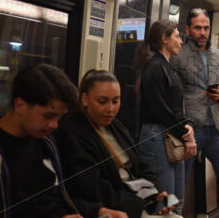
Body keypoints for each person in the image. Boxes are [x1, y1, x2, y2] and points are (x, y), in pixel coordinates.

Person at [55, 70, 180, 218]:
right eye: (102, 101)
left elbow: (140, 166)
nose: (110, 109)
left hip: (140, 197)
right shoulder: (73, 132)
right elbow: (92, 187)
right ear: (84, 99)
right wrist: (140, 203)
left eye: (115, 101)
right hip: (118, 205)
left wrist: (157, 192)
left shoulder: (116, 127)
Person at [170, 8, 219, 218]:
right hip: (191, 128)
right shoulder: (178, 56)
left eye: (206, 28)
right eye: (197, 28)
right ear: (187, 29)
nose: (202, 32)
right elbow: (173, 92)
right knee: (180, 180)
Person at [0, 64, 83, 218]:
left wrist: (96, 211)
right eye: (48, 116)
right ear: (20, 106)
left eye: (60, 117)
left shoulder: (47, 144)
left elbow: (54, 199)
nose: (55, 125)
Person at [138, 20, 196, 214]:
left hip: (170, 134)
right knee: (165, 202)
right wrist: (185, 134)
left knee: (177, 200)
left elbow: (175, 106)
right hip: (157, 136)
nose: (181, 41)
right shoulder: (154, 67)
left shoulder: (168, 66)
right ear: (164, 39)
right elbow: (161, 110)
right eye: (177, 37)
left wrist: (188, 126)